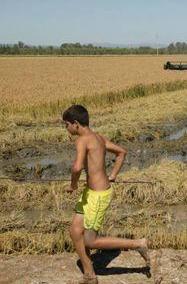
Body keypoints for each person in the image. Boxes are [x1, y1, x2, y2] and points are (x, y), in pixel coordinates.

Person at [63, 105, 150, 284]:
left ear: (76, 123)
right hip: (91, 193)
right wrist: (112, 176)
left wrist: (72, 185)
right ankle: (89, 274)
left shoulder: (81, 140)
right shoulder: (98, 138)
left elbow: (77, 167)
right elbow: (121, 152)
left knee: (90, 240)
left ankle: (138, 244)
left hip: (98, 195)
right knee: (74, 231)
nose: (66, 129)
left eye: (66, 125)